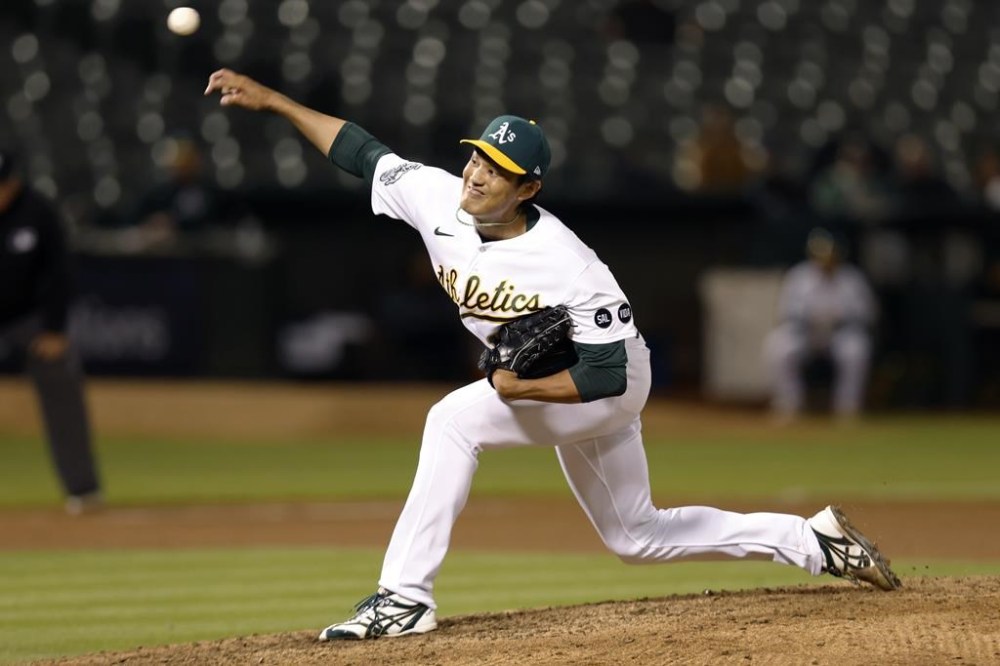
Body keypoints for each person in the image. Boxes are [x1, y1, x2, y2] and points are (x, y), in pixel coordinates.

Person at [204, 68, 901, 641]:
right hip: (563, 382)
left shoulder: (568, 264)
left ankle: (403, 598)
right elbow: (360, 150)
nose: (477, 173)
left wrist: (517, 388)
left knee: (453, 420)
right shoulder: (438, 197)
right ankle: (814, 540)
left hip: (612, 381)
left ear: (527, 188)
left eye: (497, 169)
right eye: (477, 155)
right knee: (636, 535)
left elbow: (603, 374)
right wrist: (272, 102)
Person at [0, 150, 102, 514]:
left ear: (12, 183)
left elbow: (59, 274)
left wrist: (55, 330)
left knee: (61, 375)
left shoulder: (37, 211)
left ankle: (83, 490)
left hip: (28, 318)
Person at [764, 228, 877, 420]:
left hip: (839, 333)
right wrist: (810, 318)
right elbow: (785, 311)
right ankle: (789, 404)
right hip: (806, 331)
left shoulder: (851, 278)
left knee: (856, 350)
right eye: (821, 255)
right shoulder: (799, 277)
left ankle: (847, 407)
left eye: (830, 255)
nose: (826, 260)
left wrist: (840, 317)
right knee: (779, 347)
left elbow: (868, 313)